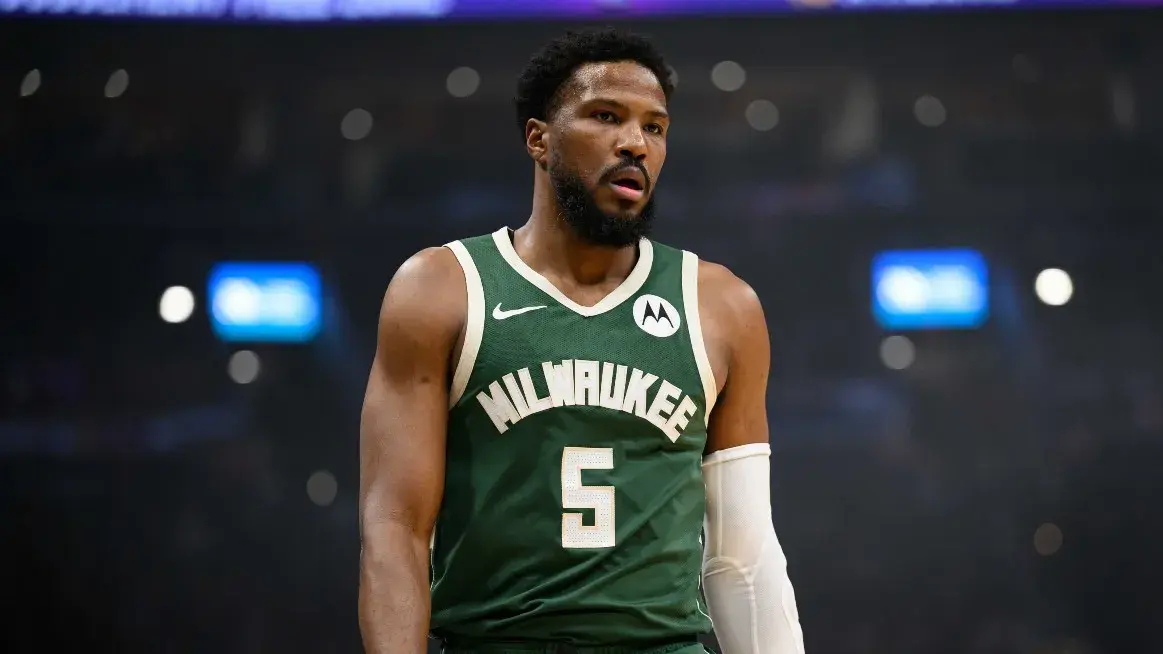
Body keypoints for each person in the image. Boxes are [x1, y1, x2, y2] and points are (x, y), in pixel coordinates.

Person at [359, 28, 805, 654]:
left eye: (655, 128)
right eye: (606, 116)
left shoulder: (721, 305)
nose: (635, 144)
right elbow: (395, 530)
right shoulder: (440, 289)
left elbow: (743, 555)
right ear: (539, 138)